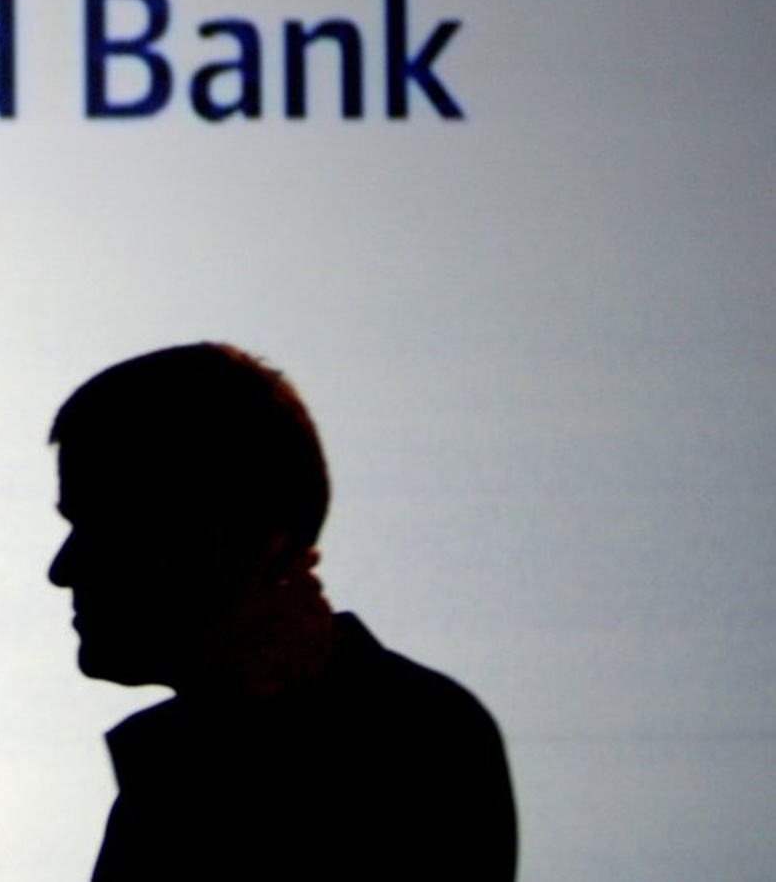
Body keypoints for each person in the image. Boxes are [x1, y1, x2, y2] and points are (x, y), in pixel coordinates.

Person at [47, 343, 516, 880]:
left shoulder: (417, 744)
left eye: (103, 526)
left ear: (227, 534)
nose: (63, 568)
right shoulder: (182, 773)